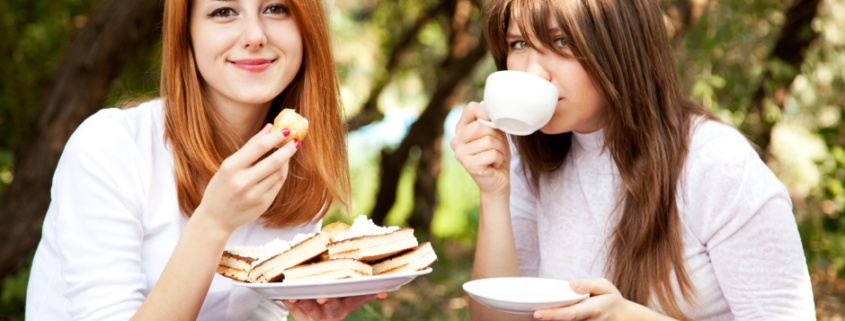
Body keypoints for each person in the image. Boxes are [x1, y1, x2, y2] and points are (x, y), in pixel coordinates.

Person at [451, 0, 816, 320]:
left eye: (561, 41)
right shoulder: (529, 158)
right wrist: (494, 193)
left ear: (621, 46)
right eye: (519, 44)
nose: (531, 71)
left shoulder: (716, 163)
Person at [25, 0, 382, 320]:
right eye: (223, 11)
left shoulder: (292, 165)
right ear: (187, 35)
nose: (255, 35)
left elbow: (259, 313)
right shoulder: (110, 147)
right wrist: (213, 222)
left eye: (276, 8)